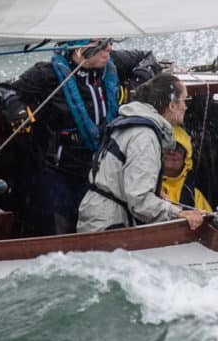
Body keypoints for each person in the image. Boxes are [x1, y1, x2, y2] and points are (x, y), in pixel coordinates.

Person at [0, 38, 161, 235]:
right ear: (77, 46)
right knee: (63, 227)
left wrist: (141, 77)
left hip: (107, 165)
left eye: (109, 41)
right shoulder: (46, 74)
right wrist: (14, 105)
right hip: (65, 168)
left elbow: (147, 56)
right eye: (99, 42)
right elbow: (5, 89)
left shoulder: (112, 61)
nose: (109, 47)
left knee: (109, 223)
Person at [77, 73, 206, 233]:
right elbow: (139, 200)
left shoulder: (134, 124)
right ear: (172, 105)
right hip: (108, 225)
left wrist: (157, 196)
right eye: (184, 101)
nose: (186, 107)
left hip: (99, 216)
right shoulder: (145, 137)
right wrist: (178, 213)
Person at [161, 124, 213, 213]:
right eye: (167, 147)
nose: (171, 151)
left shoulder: (194, 197)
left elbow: (210, 222)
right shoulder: (145, 186)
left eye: (178, 148)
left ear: (186, 158)